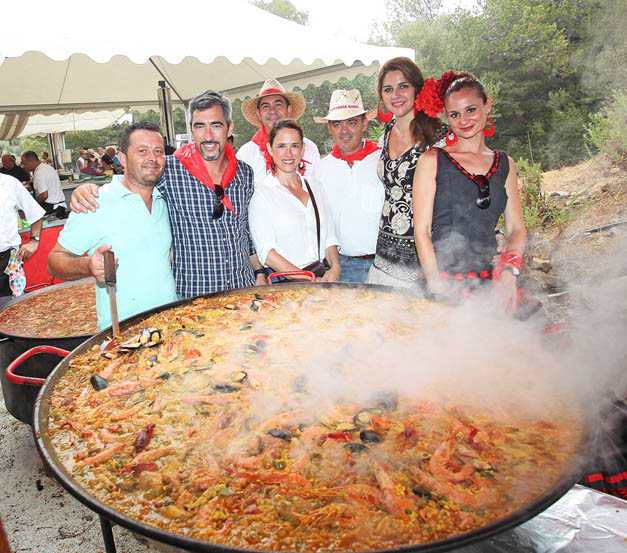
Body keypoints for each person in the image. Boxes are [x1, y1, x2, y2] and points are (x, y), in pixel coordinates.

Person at [71, 90, 268, 298]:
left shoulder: (245, 173)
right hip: (193, 300)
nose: (208, 135)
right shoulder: (171, 169)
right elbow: (134, 182)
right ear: (191, 130)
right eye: (200, 126)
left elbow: (245, 230)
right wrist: (88, 190)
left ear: (229, 128)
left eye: (216, 125)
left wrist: (259, 271)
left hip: (244, 291)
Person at [413, 73, 527, 312]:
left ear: (488, 105)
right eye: (454, 114)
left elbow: (516, 229)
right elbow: (421, 231)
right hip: (443, 283)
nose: (463, 120)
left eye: (471, 110)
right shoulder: (432, 160)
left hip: (494, 282)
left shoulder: (506, 163)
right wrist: (436, 285)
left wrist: (509, 274)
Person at [48, 121, 178, 329]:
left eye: (158, 151)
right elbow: (54, 261)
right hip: (123, 335)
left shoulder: (166, 200)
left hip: (171, 323)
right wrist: (88, 265)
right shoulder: (95, 202)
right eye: (142, 151)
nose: (152, 158)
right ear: (123, 159)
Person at [366, 57, 448, 289]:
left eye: (403, 86)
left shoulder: (439, 137)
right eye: (388, 89)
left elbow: (462, 190)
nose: (396, 95)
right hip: (384, 255)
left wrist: (496, 232)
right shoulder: (386, 133)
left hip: (426, 258)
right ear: (382, 97)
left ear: (417, 89)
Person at [249, 119, 339, 281]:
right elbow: (267, 254)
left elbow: (329, 237)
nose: (288, 153)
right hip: (287, 286)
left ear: (302, 149)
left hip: (321, 278)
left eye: (295, 146)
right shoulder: (262, 194)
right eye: (281, 146)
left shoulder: (315, 186)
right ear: (270, 149)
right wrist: (308, 279)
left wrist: (335, 267)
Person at [314, 89, 382, 283]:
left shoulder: (384, 160)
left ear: (364, 123)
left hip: (384, 266)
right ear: (330, 128)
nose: (344, 130)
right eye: (337, 124)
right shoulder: (320, 169)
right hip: (341, 268)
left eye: (351, 122)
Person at [238, 79, 320, 187]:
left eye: (278, 104)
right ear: (258, 114)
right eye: (265, 106)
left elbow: (318, 189)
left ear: (289, 109)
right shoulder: (245, 155)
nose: (272, 111)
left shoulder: (309, 148)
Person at [0, 173, 45, 301]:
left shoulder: (9, 184)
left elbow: (35, 213)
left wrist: (34, 241)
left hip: (4, 262)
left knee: (8, 311)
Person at [20, 151, 67, 217]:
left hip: (51, 207)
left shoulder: (39, 173)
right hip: (60, 205)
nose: (23, 166)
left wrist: (33, 205)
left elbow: (44, 195)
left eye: (24, 163)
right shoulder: (47, 167)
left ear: (31, 162)